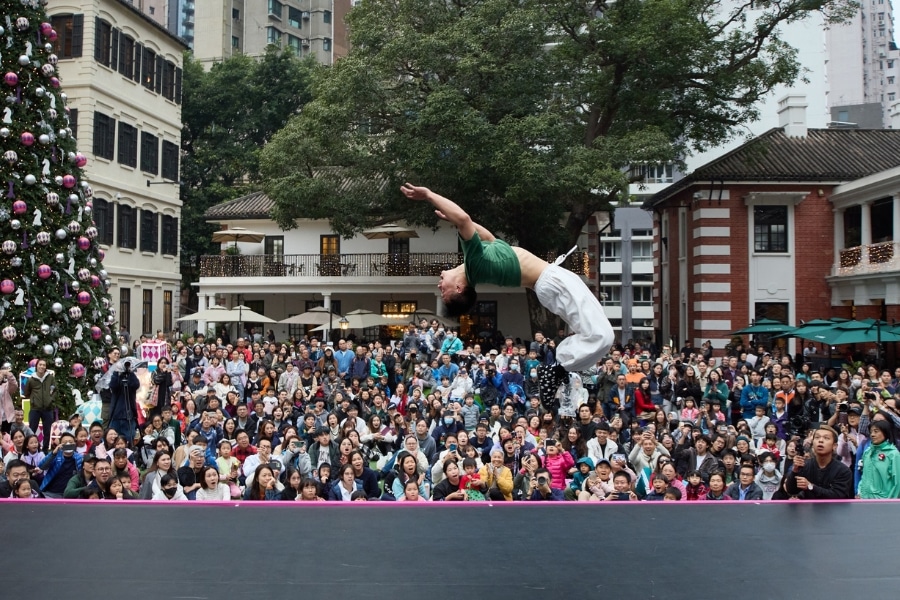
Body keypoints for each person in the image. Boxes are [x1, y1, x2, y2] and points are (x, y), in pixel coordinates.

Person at [401, 183, 613, 371]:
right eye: (443, 291)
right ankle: (558, 368)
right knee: (601, 335)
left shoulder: (477, 260)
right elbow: (464, 219)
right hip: (551, 281)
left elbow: (487, 236)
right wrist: (429, 195)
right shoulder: (474, 264)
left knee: (598, 330)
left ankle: (559, 367)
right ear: (458, 288)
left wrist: (454, 218)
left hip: (552, 279)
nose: (439, 285)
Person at [784, 425, 854, 499]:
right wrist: (794, 471)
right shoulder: (805, 465)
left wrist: (811, 486)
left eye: (826, 438)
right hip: (809, 506)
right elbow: (791, 490)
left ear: (834, 446)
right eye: (817, 437)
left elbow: (838, 496)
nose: (820, 440)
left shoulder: (843, 470)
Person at [857, 420, 900, 499]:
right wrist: (860, 492)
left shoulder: (893, 454)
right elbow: (864, 476)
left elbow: (897, 483)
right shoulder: (867, 452)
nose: (872, 435)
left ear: (885, 433)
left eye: (876, 431)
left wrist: (891, 502)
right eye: (871, 432)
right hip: (864, 500)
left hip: (883, 501)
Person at [23, 359, 57, 453]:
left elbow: (55, 390)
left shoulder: (50, 378)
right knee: (32, 430)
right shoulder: (31, 379)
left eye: (44, 365)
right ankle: (31, 450)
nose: (42, 366)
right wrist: (34, 400)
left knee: (47, 431)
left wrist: (50, 399)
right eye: (40, 364)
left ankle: (45, 450)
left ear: (46, 367)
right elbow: (26, 393)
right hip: (35, 409)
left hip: (48, 409)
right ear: (36, 366)